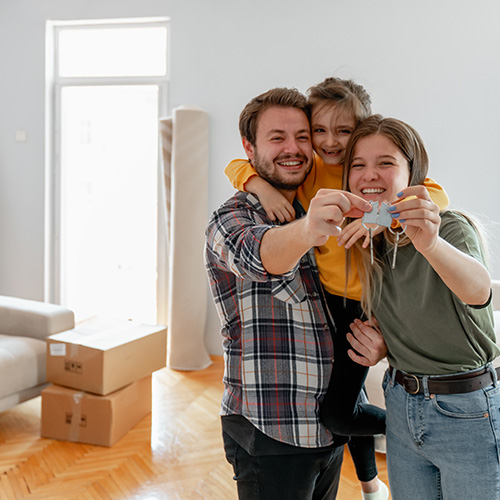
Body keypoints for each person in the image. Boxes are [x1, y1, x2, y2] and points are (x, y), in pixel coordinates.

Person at [225, 77, 450, 499]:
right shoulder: (310, 176)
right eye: (319, 131)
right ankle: (370, 482)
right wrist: (259, 185)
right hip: (327, 301)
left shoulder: (366, 174)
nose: (329, 142)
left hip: (364, 305)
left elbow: (434, 196)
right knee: (343, 402)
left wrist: (378, 216)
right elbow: (237, 165)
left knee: (340, 412)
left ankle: (418, 432)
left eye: (343, 131)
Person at [205, 87, 387, 500]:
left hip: (327, 432)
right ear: (249, 148)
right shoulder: (230, 219)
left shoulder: (319, 202)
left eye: (302, 136)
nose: (295, 148)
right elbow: (261, 255)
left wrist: (379, 344)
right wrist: (307, 230)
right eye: (277, 138)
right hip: (272, 432)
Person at [341, 114, 500, 500]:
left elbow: (479, 293)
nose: (369, 174)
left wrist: (430, 244)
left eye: (386, 163)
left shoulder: (449, 228)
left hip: (466, 410)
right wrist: (385, 347)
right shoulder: (370, 243)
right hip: (401, 402)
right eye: (358, 165)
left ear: (413, 172)